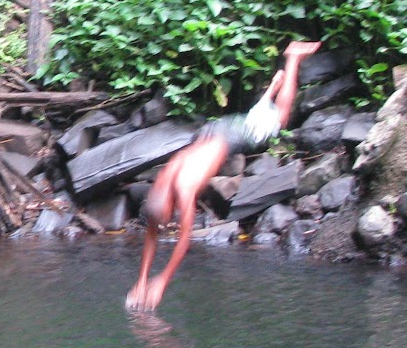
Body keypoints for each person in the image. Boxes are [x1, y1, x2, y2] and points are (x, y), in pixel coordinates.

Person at [126, 40, 322, 313]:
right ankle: (273, 87)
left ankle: (293, 57)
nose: (168, 222)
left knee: (280, 119)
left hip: (226, 137)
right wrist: (141, 280)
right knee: (254, 120)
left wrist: (161, 281)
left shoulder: (184, 186)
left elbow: (184, 240)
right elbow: (151, 234)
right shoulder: (162, 184)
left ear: (169, 205)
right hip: (214, 131)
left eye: (168, 218)